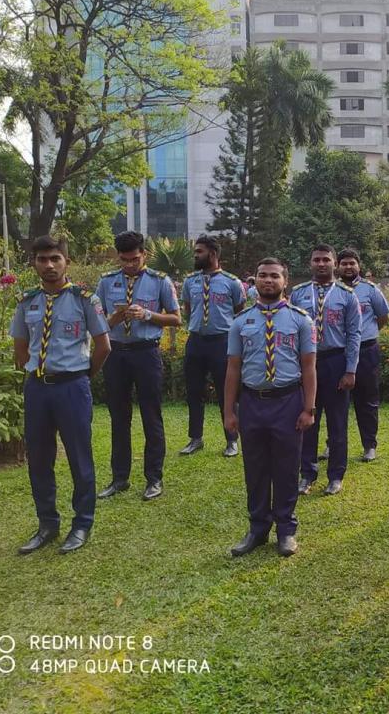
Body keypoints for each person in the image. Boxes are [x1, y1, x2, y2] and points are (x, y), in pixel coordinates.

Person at [10, 235, 111, 554]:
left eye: (55, 258)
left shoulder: (85, 299)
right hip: (38, 388)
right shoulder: (27, 301)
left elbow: (103, 345)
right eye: (42, 259)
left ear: (66, 261)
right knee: (38, 458)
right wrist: (37, 372)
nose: (49, 265)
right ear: (35, 263)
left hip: (72, 387)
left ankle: (81, 524)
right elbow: (20, 346)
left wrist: (82, 376)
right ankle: (47, 524)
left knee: (79, 458)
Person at [223, 258, 317, 558]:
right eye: (262, 275)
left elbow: (310, 367)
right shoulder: (240, 322)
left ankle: (286, 530)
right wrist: (229, 411)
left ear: (284, 281)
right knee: (256, 467)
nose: (268, 281)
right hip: (252, 402)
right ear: (255, 280)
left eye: (274, 276)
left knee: (287, 468)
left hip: (288, 402)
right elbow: (233, 370)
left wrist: (309, 408)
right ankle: (257, 528)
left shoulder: (301, 319)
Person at [95, 231, 181, 502]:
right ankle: (119, 478)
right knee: (119, 418)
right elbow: (98, 324)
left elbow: (176, 319)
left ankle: (154, 479)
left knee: (151, 416)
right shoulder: (107, 282)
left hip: (146, 354)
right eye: (124, 260)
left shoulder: (160, 281)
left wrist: (147, 315)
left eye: (134, 259)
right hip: (116, 354)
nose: (129, 265)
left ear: (144, 254)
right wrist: (115, 318)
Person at [290, 244, 361, 496]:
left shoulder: (347, 295)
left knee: (337, 421)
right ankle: (307, 473)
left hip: (335, 361)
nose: (321, 264)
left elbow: (354, 335)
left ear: (334, 263)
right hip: (306, 363)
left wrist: (350, 370)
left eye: (326, 260)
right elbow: (289, 331)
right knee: (306, 419)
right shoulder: (297, 294)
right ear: (310, 263)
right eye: (316, 259)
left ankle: (336, 475)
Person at [180, 235, 246, 457]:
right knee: (193, 391)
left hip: (222, 343)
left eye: (199, 251)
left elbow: (239, 311)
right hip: (196, 341)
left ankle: (231, 439)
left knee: (226, 392)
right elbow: (188, 309)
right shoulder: (190, 281)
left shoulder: (232, 282)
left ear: (213, 254)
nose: (195, 255)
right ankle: (195, 438)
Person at [338, 248, 389, 462]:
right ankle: (334, 444)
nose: (348, 267)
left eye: (352, 263)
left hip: (366, 350)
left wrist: (365, 332)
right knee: (336, 401)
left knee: (367, 399)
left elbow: (383, 316)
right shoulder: (331, 291)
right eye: (344, 263)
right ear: (337, 266)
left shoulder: (370, 290)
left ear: (358, 265)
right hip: (338, 352)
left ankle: (369, 444)